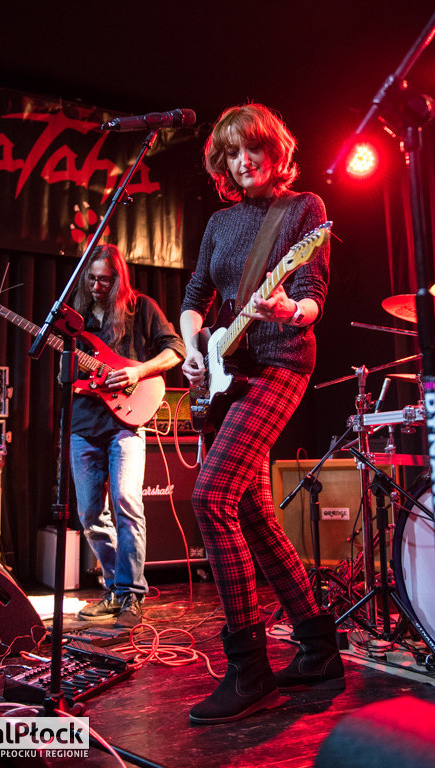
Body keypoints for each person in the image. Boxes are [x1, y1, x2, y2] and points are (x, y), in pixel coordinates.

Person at [180, 103, 344, 724]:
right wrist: (193, 347)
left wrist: (287, 311)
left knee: (211, 496)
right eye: (231, 153)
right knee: (251, 509)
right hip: (229, 371)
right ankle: (318, 648)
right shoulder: (219, 222)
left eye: (254, 149)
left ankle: (249, 670)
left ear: (275, 154)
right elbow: (195, 296)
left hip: (281, 364)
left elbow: (312, 295)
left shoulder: (303, 209)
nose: (244, 161)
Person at [71, 244, 185, 628]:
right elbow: (66, 376)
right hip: (84, 424)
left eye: (105, 279)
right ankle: (115, 589)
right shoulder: (77, 319)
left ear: (118, 278)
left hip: (127, 424)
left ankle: (132, 594)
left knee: (126, 502)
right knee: (90, 515)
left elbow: (175, 350)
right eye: (91, 279)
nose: (97, 286)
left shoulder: (141, 308)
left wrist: (138, 372)